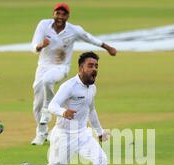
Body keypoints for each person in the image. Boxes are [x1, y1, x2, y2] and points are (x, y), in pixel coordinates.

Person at [18, 52, 119, 165]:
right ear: (80, 68)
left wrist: (99, 131)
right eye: (90, 66)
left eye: (96, 66)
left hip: (82, 134)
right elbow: (52, 106)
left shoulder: (92, 88)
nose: (94, 69)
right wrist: (63, 112)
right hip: (63, 135)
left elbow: (91, 109)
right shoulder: (69, 86)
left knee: (101, 158)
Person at [30, 2, 117, 145]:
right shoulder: (43, 25)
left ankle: (48, 108)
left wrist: (107, 47)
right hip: (43, 66)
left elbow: (90, 38)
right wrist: (40, 46)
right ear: (53, 14)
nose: (60, 16)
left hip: (60, 67)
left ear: (68, 16)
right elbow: (34, 46)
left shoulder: (74, 30)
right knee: (36, 104)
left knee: (47, 81)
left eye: (63, 14)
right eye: (58, 13)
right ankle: (41, 133)